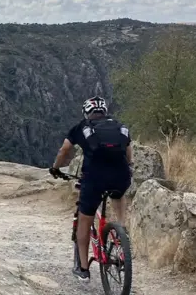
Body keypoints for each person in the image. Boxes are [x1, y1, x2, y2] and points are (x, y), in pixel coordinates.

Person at [49, 96, 133, 281]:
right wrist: (128, 166)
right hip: (120, 176)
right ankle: (121, 229)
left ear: (87, 112)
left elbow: (64, 149)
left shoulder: (82, 127)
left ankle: (84, 269)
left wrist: (56, 168)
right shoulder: (119, 126)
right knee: (118, 193)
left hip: (94, 179)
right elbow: (128, 152)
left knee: (84, 220)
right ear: (104, 111)